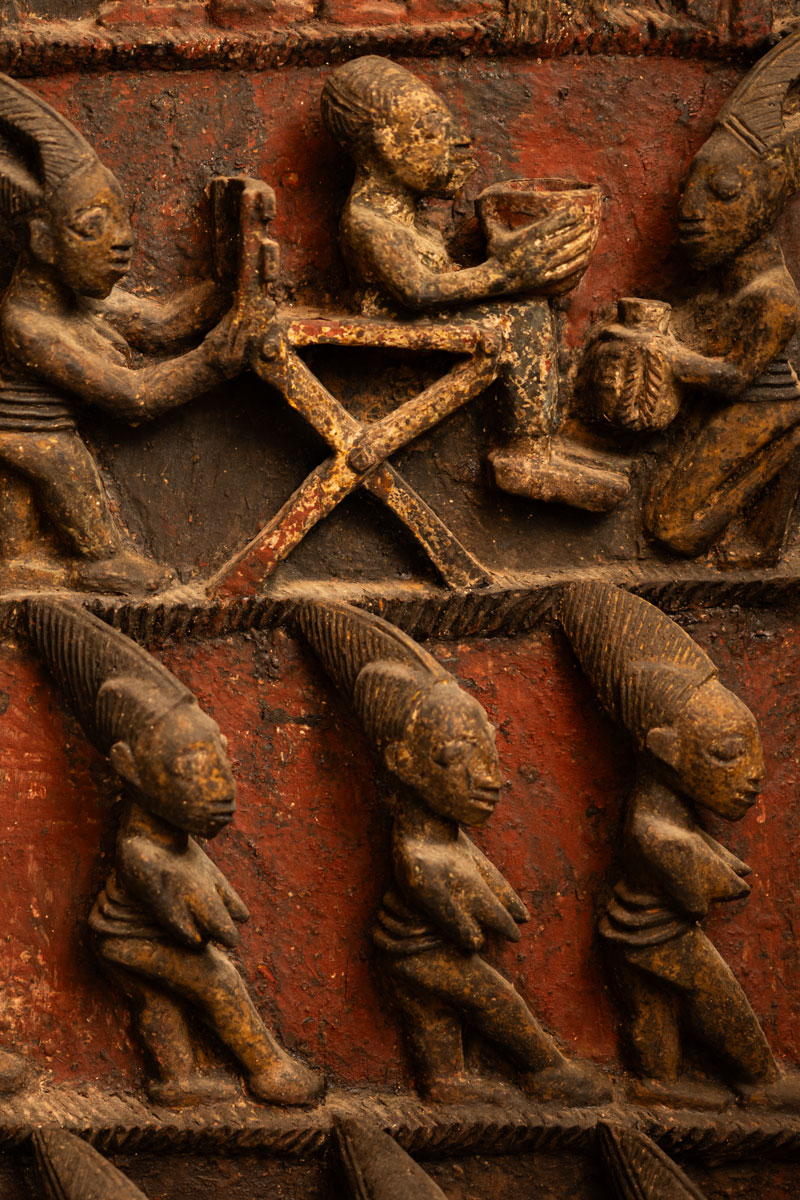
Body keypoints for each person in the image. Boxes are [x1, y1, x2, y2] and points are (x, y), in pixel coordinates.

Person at [300, 598, 610, 1106]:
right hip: (417, 954)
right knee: (497, 999)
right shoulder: (420, 855)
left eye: (487, 750)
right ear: (403, 763)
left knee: (434, 1018)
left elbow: (502, 904)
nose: (491, 778)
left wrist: (495, 899)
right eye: (457, 759)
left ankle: (444, 1080)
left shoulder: (445, 840)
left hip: (411, 953)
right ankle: (544, 1068)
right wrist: (492, 905)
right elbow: (475, 931)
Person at [28, 598, 324, 1108]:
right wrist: (216, 916)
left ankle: (177, 1079)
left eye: (220, 762)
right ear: (130, 767)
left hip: (123, 938)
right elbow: (191, 931)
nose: (220, 789)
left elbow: (212, 894)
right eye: (191, 770)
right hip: (121, 939)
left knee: (159, 1001)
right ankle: (269, 1069)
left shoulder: (171, 840)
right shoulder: (142, 850)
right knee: (217, 978)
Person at [320, 56, 629, 512]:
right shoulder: (369, 222)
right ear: (385, 143)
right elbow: (418, 291)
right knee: (521, 313)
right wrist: (504, 273)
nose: (455, 142)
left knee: (530, 306)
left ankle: (534, 448)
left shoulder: (406, 216)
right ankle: (523, 456)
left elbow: (437, 266)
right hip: (391, 323)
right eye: (432, 129)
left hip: (417, 318)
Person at [0, 73, 249, 593]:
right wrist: (215, 361)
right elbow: (132, 397)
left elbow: (161, 325)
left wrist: (230, 279)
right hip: (18, 439)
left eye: (122, 221)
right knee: (62, 460)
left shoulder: (85, 300)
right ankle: (97, 561)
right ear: (43, 242)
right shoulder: (28, 325)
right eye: (93, 227)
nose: (123, 242)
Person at [559, 580, 800, 1110]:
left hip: (633, 931)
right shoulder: (654, 828)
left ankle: (656, 1080)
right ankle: (758, 1078)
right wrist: (716, 875)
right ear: (666, 750)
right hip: (654, 934)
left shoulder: (663, 818)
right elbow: (697, 900)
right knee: (715, 994)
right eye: (729, 754)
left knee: (654, 1012)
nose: (756, 773)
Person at [589, 30, 800, 566]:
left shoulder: (773, 297)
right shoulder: (721, 287)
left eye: (724, 192)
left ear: (771, 199)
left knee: (673, 527)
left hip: (770, 404)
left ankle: (784, 454)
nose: (692, 211)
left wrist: (671, 358)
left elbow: (734, 377)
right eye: (691, 188)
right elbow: (689, 326)